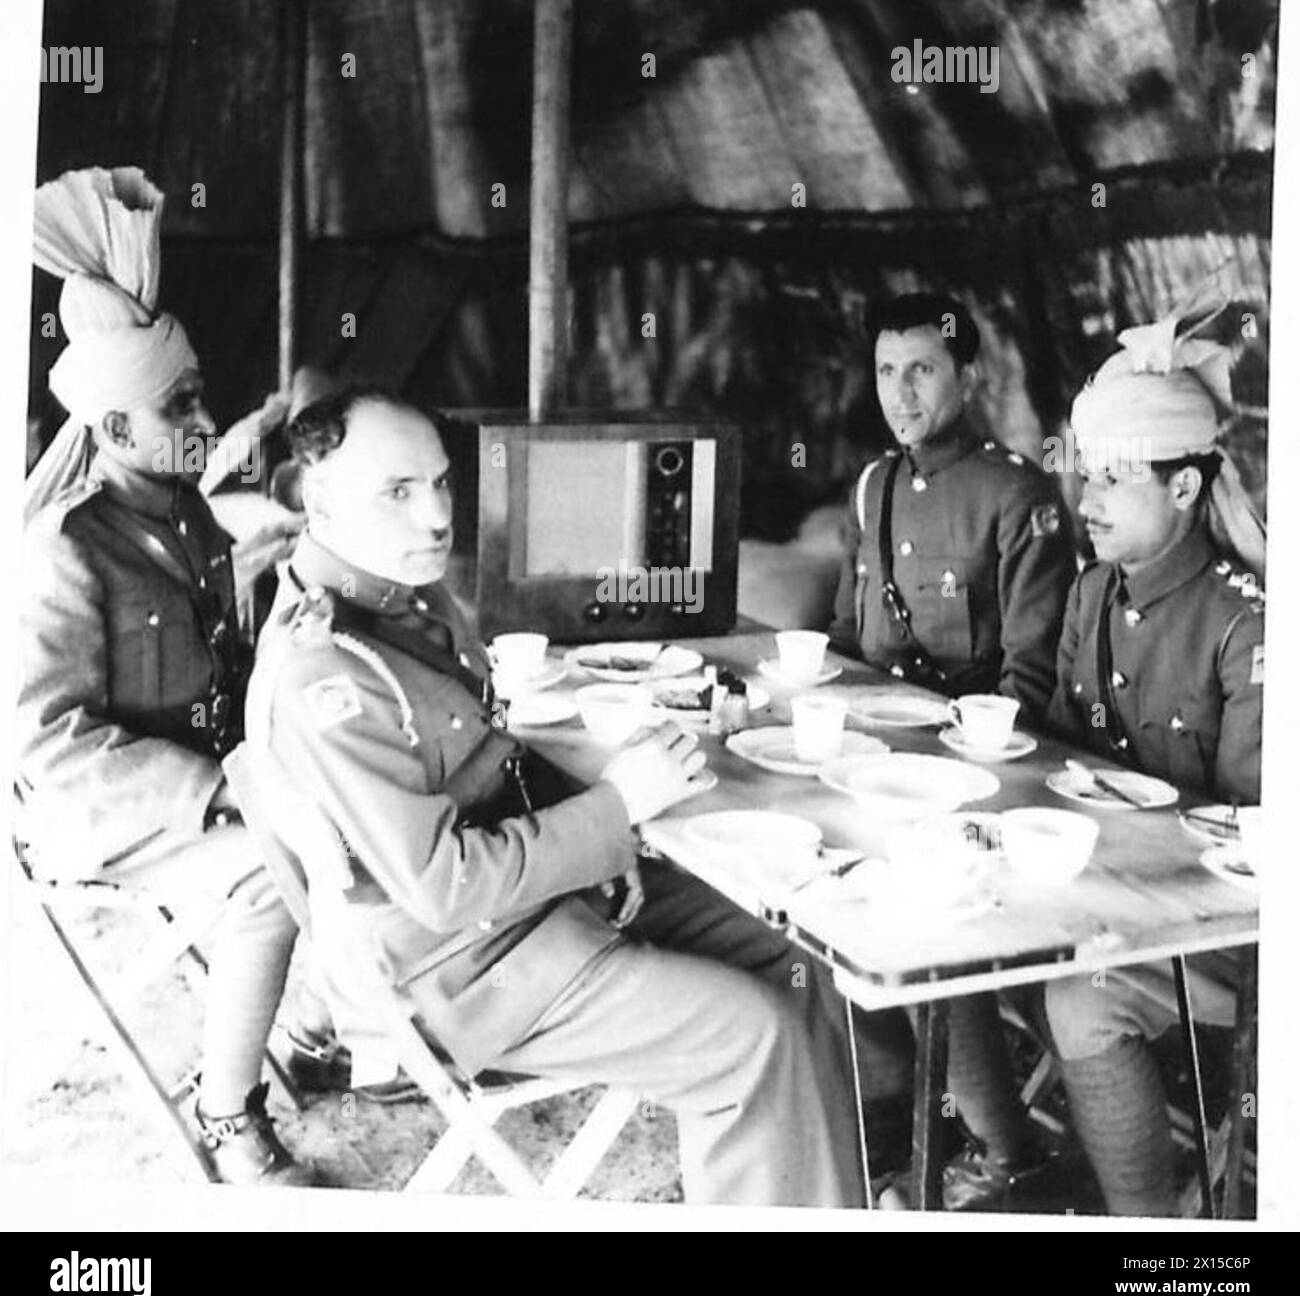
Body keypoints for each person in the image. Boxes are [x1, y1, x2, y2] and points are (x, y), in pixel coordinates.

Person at [243, 384, 868, 1207]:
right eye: (397, 492)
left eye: (439, 484)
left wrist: (608, 839)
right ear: (313, 501)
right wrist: (614, 809)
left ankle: (832, 1199)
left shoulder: (409, 599)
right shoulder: (326, 669)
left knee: (795, 952)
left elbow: (489, 760)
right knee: (751, 1036)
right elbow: (445, 885)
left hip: (536, 906)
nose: (435, 516)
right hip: (464, 971)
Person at [17, 166, 323, 1185]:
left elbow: (208, 650)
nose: (206, 417)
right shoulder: (66, 549)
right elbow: (46, 744)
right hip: (106, 817)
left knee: (356, 796)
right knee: (263, 878)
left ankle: (321, 1031)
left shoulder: (184, 512)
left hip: (209, 773)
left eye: (196, 394)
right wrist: (211, 790)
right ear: (111, 431)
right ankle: (228, 1112)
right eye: (181, 404)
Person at [829, 292, 1078, 1208]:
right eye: (888, 370)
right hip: (880, 769)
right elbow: (850, 644)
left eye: (922, 369)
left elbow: (1033, 679)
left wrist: (948, 777)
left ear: (969, 377)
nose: (901, 391)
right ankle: (889, 1126)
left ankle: (1006, 1149)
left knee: (927, 913)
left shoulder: (1017, 495)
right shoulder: (873, 486)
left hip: (986, 776)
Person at [1043, 308, 1265, 1217]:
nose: (1086, 500)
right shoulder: (1092, 592)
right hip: (1101, 891)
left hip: (1221, 939)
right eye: (1085, 475)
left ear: (1184, 490)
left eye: (1114, 480)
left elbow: (1254, 841)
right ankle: (1007, 1152)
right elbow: (1055, 762)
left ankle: (1157, 1233)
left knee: (1078, 999)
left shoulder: (1245, 626)